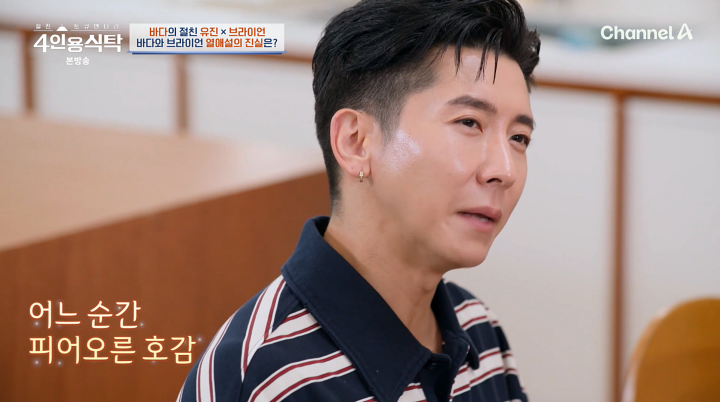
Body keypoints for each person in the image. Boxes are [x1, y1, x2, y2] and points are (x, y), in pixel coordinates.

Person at [178, 0, 540, 401]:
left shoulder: (478, 328)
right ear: (355, 142)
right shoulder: (270, 378)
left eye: (518, 138)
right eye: (469, 123)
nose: (504, 170)